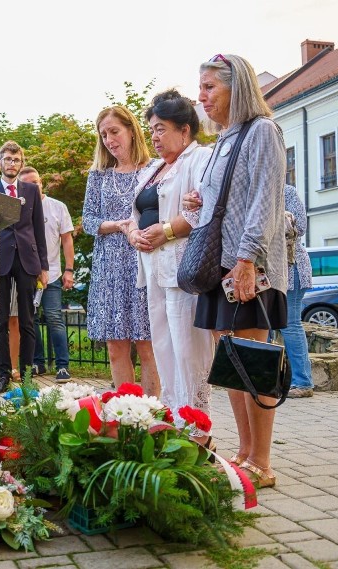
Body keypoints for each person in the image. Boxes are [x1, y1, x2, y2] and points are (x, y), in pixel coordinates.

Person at [183, 54, 288, 489]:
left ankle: (262, 462)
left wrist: (247, 260)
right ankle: (244, 452)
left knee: (254, 364)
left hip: (248, 266)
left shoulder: (262, 131)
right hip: (219, 267)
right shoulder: (225, 138)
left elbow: (266, 200)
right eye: (201, 87)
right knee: (232, 366)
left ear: (236, 87)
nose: (201, 96)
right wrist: (198, 201)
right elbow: (228, 200)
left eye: (210, 87)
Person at [122, 90, 214, 437]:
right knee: (163, 343)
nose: (155, 137)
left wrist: (164, 231)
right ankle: (174, 415)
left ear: (185, 130)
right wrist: (134, 234)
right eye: (153, 130)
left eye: (161, 129)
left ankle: (197, 425)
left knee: (187, 345)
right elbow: (133, 214)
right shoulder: (153, 168)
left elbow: (204, 208)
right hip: (152, 267)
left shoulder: (199, 159)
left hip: (183, 267)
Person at [82, 106, 159, 395]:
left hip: (143, 260)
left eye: (114, 131)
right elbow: (88, 220)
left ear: (131, 130)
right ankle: (127, 415)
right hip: (108, 266)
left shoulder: (155, 170)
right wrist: (118, 225)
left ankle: (153, 415)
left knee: (148, 344)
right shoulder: (99, 175)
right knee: (116, 346)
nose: (109, 139)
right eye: (103, 135)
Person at [0, 141, 49, 394]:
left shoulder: (31, 191)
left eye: (16, 160)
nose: (12, 164)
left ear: (21, 164)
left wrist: (44, 265)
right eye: (8, 159)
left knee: (27, 321)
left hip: (27, 259)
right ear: (0, 163)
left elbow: (38, 230)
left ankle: (29, 374)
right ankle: (3, 374)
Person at [19, 166, 75, 383]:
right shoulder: (19, 207)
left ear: (41, 182)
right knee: (30, 320)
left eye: (36, 182)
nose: (32, 186)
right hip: (26, 274)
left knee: (53, 318)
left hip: (51, 274)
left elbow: (67, 240)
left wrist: (69, 270)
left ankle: (62, 365)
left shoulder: (57, 207)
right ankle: (37, 362)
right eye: (27, 184)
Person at [281, 185, 314, 398]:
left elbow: (299, 226)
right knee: (263, 326)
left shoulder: (287, 192)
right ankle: (266, 379)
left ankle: (303, 382)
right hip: (266, 269)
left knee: (289, 323)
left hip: (291, 265)